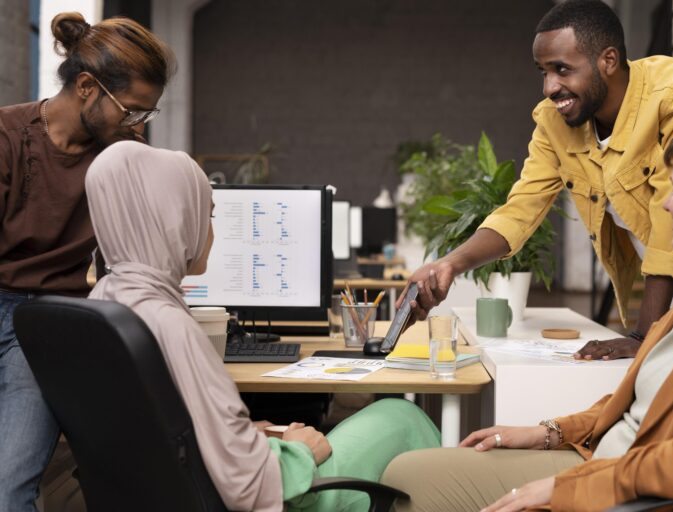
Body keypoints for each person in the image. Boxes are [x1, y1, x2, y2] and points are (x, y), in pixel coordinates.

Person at [382, 115, 673, 511]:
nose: (666, 202)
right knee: (409, 474)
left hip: (628, 489)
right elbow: (642, 403)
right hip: (604, 463)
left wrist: (571, 487)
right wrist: (549, 432)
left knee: (413, 480)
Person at [85, 141, 441, 512]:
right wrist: (300, 451)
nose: (211, 230)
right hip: (275, 491)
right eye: (207, 215)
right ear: (176, 220)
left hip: (162, 491)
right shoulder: (169, 324)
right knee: (402, 416)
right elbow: (246, 482)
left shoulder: (104, 303)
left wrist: (248, 433)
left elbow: (163, 431)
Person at [402, 0, 673, 360]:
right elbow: (521, 209)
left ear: (609, 60)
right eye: (543, 71)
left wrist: (643, 334)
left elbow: (672, 209)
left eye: (562, 69)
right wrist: (449, 264)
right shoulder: (553, 122)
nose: (549, 87)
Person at [0, 12, 174, 511]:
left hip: (47, 321)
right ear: (85, 87)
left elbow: (135, 257)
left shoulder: (123, 155)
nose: (137, 124)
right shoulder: (8, 136)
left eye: (146, 114)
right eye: (131, 110)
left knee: (8, 489)